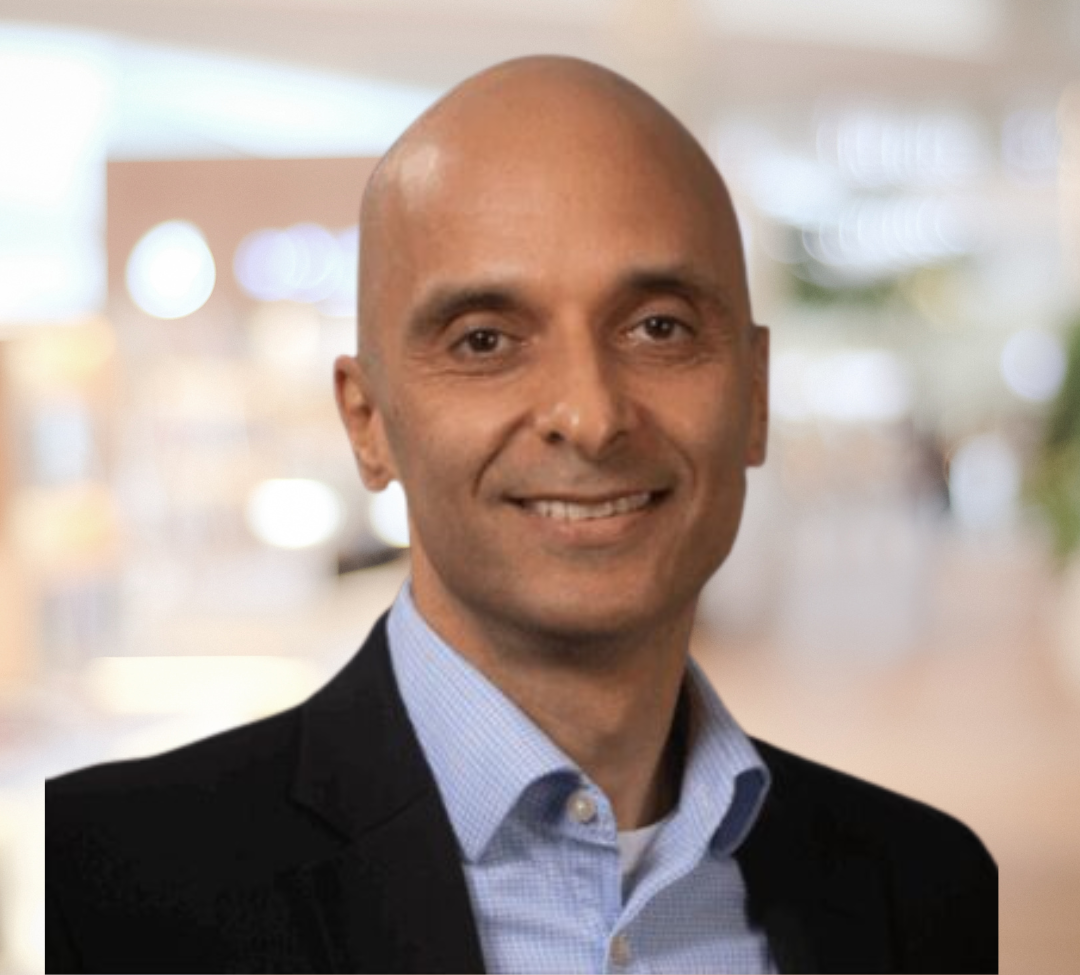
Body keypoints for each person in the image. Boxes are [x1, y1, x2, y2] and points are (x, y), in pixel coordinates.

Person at [46, 56, 997, 974]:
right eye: (486, 339)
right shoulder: (106, 895)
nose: (589, 417)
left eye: (657, 326)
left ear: (753, 394)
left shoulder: (921, 892)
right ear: (367, 423)